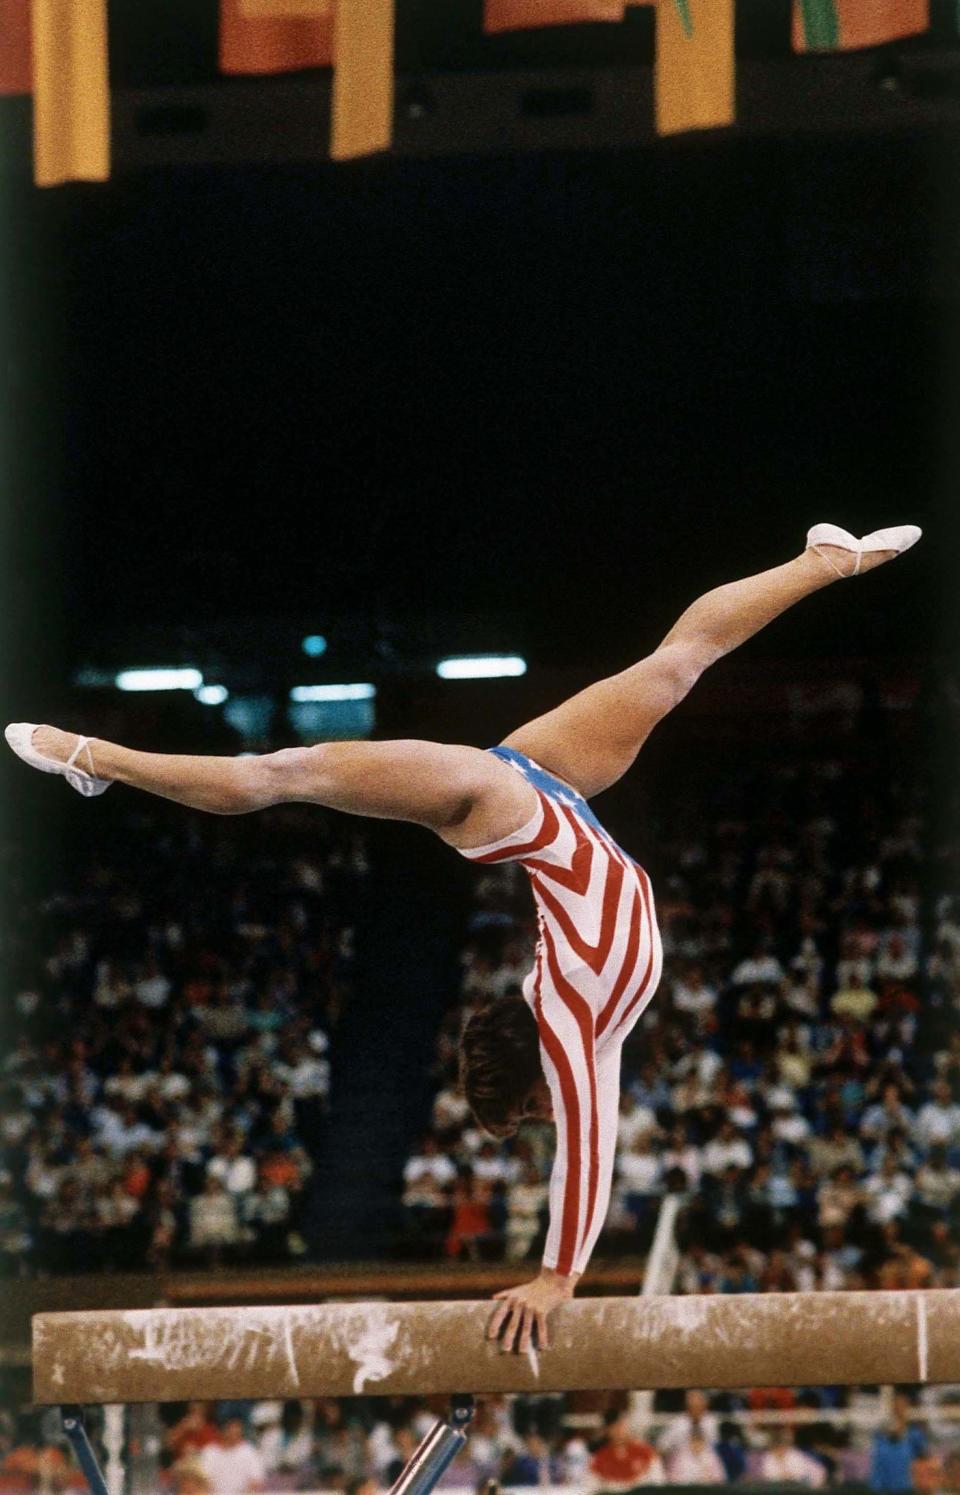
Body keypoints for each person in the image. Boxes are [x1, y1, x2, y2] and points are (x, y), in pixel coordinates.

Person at [6, 520, 921, 1350]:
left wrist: (557, 1276)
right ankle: (820, 562)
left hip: (497, 800)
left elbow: (587, 1148)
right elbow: (590, 1133)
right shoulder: (587, 1032)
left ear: (532, 1068)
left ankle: (99, 761)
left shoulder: (570, 1017)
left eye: (526, 1107)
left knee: (275, 772)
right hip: (555, 785)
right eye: (534, 1116)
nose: (544, 1114)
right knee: (681, 659)